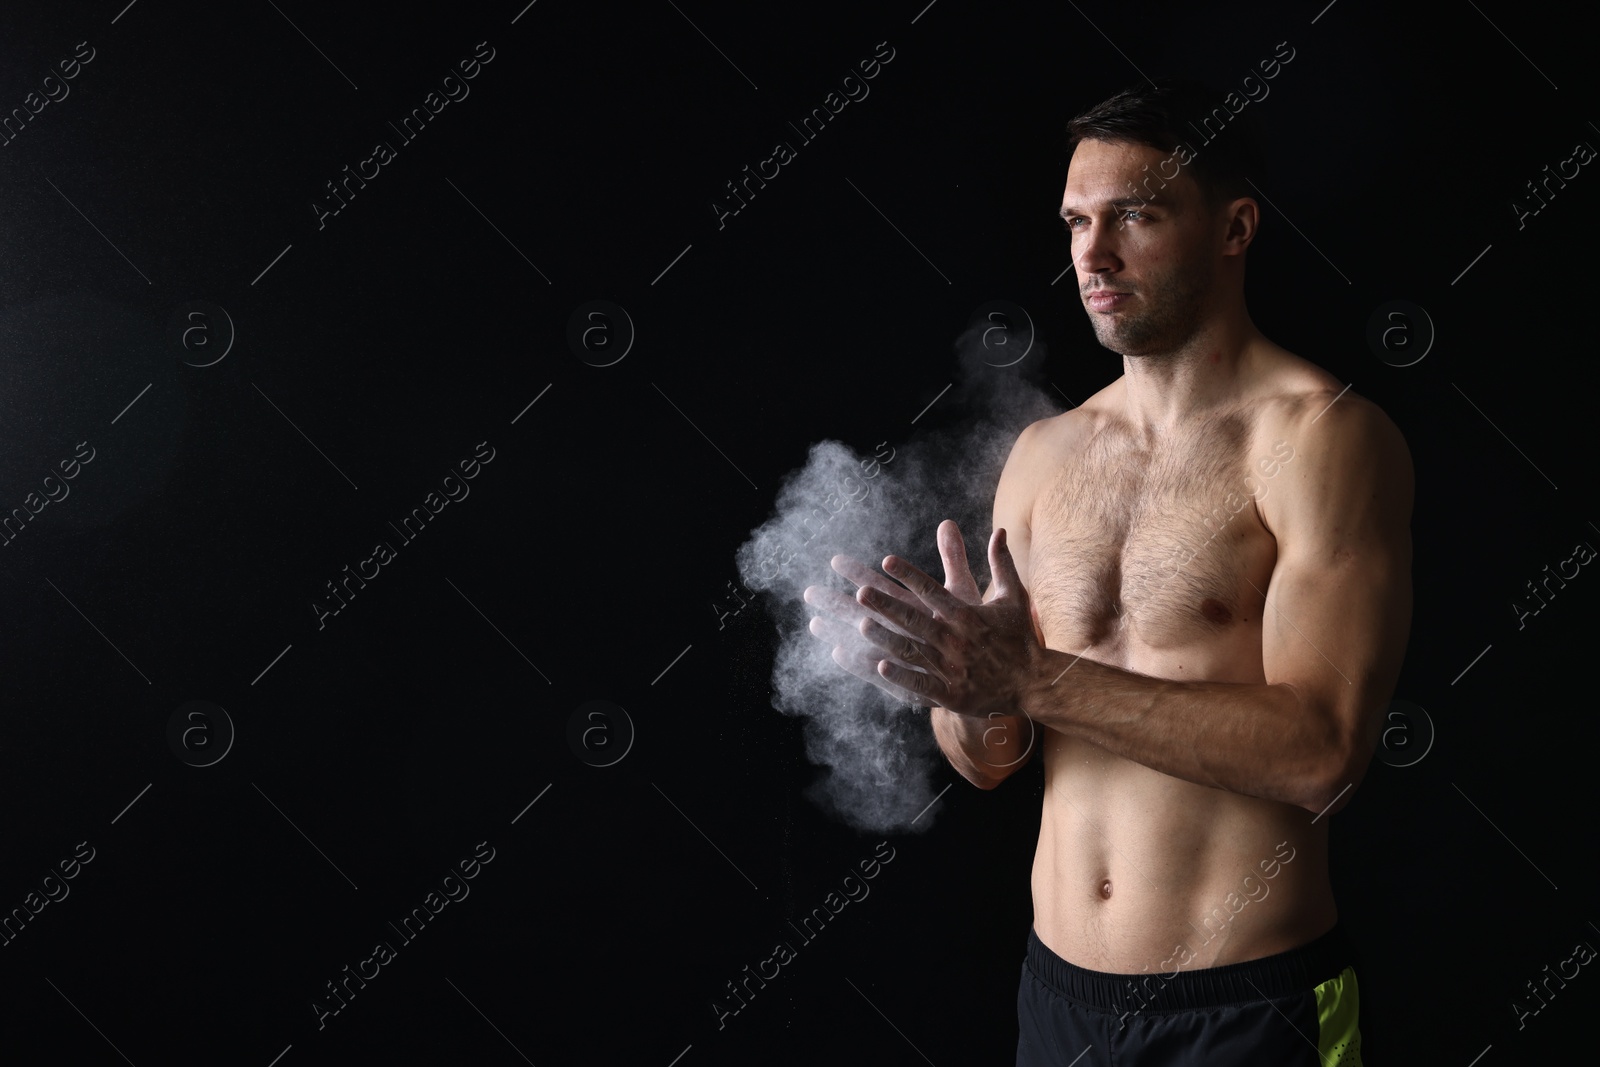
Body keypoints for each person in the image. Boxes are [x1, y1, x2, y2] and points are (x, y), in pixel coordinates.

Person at [804, 79, 1411, 1065]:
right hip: (1060, 1000)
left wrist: (1035, 678)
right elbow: (991, 758)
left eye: (1135, 214)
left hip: (1249, 1008)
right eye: (1077, 222)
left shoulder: (1322, 439)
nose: (1092, 254)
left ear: (1233, 227)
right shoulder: (1044, 454)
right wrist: (963, 682)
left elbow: (1322, 756)